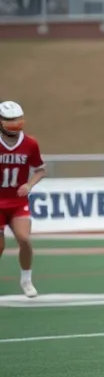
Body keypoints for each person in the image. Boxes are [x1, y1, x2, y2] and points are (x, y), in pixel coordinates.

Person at [0, 101, 43, 298]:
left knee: (24, 239)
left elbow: (40, 169)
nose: (14, 124)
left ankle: (26, 279)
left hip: (17, 203)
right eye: (9, 120)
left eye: (16, 119)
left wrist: (29, 185)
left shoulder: (30, 143)